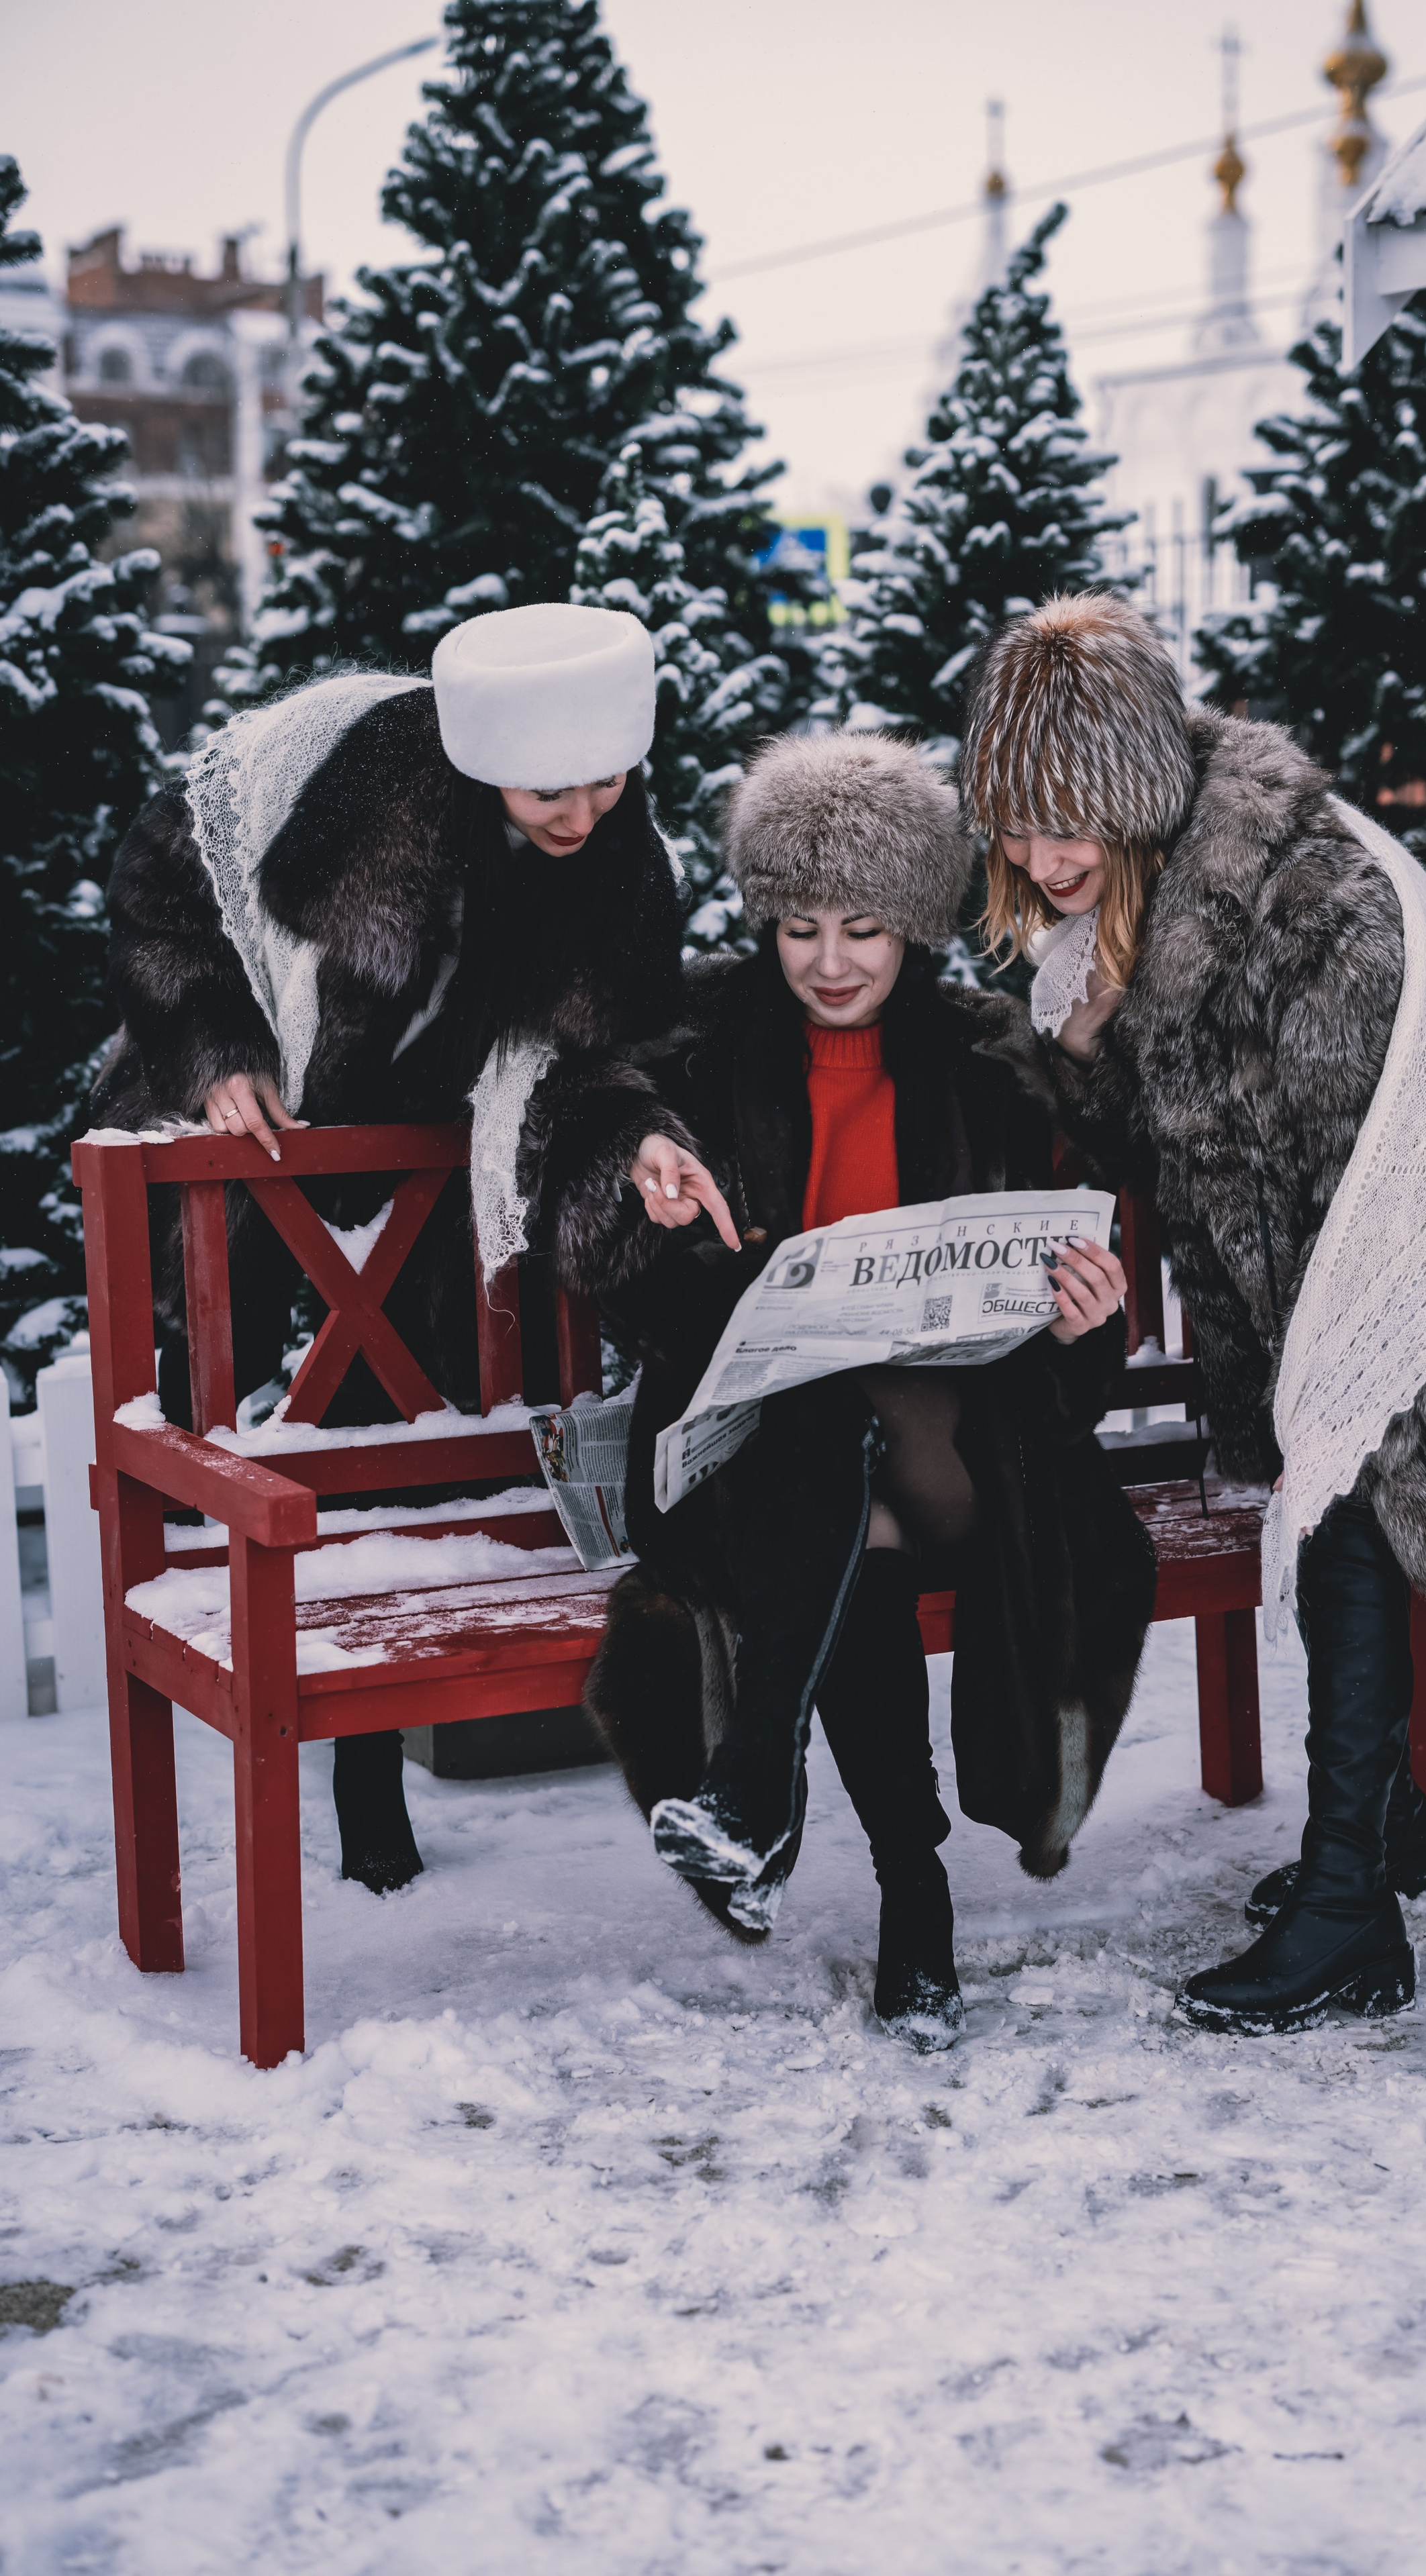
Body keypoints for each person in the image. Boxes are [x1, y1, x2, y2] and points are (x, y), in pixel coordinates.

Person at [960, 591, 1426, 2035]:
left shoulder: (1309, 907)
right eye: (1015, 824)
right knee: (1324, 1437)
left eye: (1069, 818)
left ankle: (1352, 1906)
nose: (1040, 856)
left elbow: (1371, 1167)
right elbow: (1190, 1144)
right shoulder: (1125, 920)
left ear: (1141, 790)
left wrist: (1318, 1377)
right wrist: (1087, 1055)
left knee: (1345, 1475)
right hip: (1340, 1265)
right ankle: (1383, 1834)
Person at [91, 602, 732, 1894]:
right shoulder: (341, 771)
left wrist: (646, 1140)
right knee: (242, 1427)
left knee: (392, 1433)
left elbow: (597, 1054)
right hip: (259, 1135)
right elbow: (159, 902)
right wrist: (217, 1049)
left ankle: (371, 1774)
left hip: (441, 1152)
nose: (586, 811)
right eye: (553, 788)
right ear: (483, 753)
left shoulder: (616, 845)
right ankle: (288, 1738)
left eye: (610, 777)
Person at [581, 731, 1156, 2050]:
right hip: (765, 1455)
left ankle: (751, 1786)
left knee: (861, 1436)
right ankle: (916, 1888)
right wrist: (680, 1247)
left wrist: (1082, 1312)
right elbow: (616, 1262)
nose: (828, 961)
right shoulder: (698, 1049)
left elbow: (1039, 1302)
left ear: (909, 925)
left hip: (959, 1442)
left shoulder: (980, 1056)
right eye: (796, 927)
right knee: (832, 1454)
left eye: (860, 929)